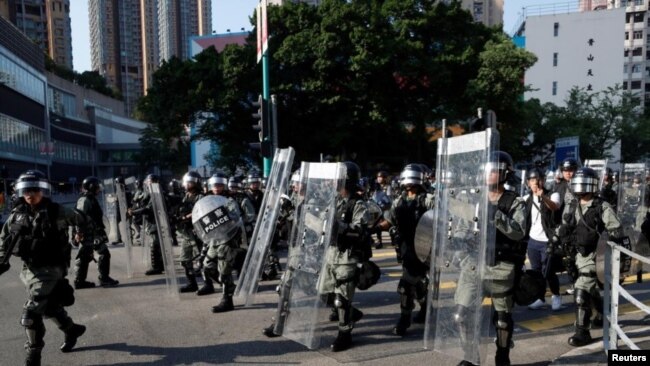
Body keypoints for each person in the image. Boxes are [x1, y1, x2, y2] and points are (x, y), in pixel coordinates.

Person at [0, 170, 88, 366]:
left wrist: (79, 234)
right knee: (49, 307)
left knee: (31, 314)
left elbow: (80, 218)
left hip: (52, 268)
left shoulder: (57, 211)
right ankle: (71, 329)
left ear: (43, 191)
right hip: (29, 269)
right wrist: (1, 260)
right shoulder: (17, 214)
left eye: (34, 190)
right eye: (26, 191)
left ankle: (33, 355)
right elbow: (4, 238)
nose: (30, 195)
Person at [454, 151, 527, 366]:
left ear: (505, 173)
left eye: (494, 170)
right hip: (473, 265)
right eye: (486, 170)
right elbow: (461, 228)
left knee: (503, 321)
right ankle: (470, 356)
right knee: (461, 315)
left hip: (501, 266)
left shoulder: (515, 202)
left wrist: (494, 214)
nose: (489, 174)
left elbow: (518, 231)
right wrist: (457, 246)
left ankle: (502, 356)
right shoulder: (472, 198)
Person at [556, 167, 622, 347]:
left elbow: (616, 229)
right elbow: (565, 226)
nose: (579, 187)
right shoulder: (573, 205)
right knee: (590, 290)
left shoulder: (601, 207)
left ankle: (582, 332)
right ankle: (602, 314)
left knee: (581, 291)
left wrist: (605, 239)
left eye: (583, 183)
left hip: (595, 257)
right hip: (576, 255)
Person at [376, 164, 434, 336]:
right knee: (418, 282)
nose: (409, 185)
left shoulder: (428, 199)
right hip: (406, 248)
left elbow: (442, 218)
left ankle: (404, 319)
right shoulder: (398, 201)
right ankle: (425, 307)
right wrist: (374, 229)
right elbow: (390, 220)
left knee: (406, 285)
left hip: (425, 248)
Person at [318, 161, 370, 352]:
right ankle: (352, 313)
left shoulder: (358, 204)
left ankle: (345, 333)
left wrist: (338, 227)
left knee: (342, 299)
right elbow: (322, 224)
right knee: (323, 294)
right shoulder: (333, 201)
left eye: (337, 180)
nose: (334, 183)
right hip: (330, 253)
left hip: (347, 256)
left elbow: (360, 230)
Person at [523, 169, 562, 311]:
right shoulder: (527, 199)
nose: (536, 183)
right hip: (533, 241)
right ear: (528, 183)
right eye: (532, 180)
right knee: (536, 271)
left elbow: (555, 207)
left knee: (549, 271)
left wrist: (543, 197)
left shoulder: (553, 194)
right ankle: (539, 297)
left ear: (543, 181)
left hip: (547, 240)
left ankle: (556, 295)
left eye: (538, 180)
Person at [73, 176, 119, 289]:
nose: (99, 190)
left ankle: (85, 280)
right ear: (91, 187)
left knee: (90, 255)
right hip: (87, 233)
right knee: (88, 255)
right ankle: (85, 281)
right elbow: (79, 217)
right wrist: (79, 233)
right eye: (97, 187)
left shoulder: (90, 198)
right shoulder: (84, 200)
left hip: (93, 232)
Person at [128, 174, 164, 275]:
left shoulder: (156, 193)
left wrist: (133, 212)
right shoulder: (150, 192)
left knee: (155, 245)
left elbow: (148, 208)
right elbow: (141, 202)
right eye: (148, 181)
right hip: (152, 221)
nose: (148, 183)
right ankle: (160, 265)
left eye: (150, 181)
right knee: (156, 245)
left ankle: (157, 267)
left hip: (156, 221)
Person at [175, 172, 204, 293]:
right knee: (185, 259)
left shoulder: (201, 196)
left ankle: (208, 284)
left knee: (202, 260)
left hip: (197, 232)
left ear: (196, 183)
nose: (187, 184)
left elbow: (201, 210)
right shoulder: (185, 196)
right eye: (186, 182)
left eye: (190, 182)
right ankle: (192, 283)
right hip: (186, 233)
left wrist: (187, 217)